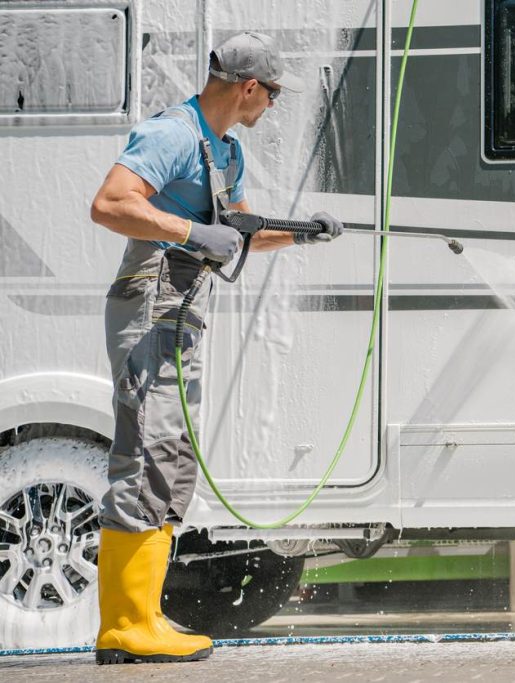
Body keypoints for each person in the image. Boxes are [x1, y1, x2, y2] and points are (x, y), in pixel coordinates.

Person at [89, 31, 344, 665]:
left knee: (171, 460)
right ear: (250, 87)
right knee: (147, 453)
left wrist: (302, 233)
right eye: (273, 94)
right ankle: (122, 624)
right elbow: (110, 203)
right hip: (150, 303)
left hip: (180, 311)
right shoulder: (174, 132)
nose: (273, 107)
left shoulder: (224, 151)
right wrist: (191, 229)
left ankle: (145, 615)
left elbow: (238, 235)